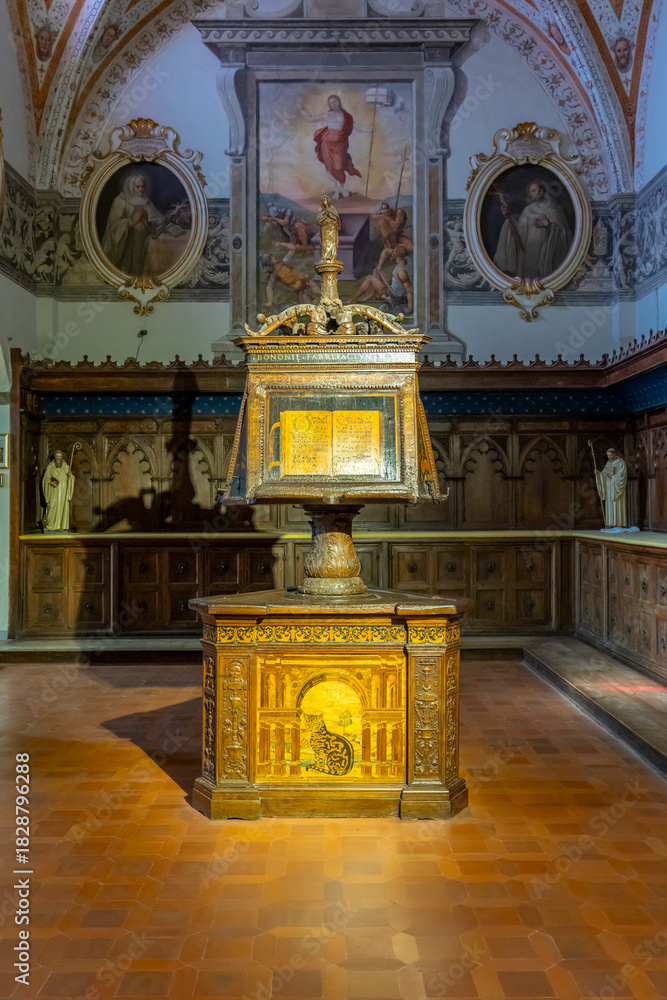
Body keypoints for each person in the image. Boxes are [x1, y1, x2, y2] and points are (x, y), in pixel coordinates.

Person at [493, 179, 571, 280]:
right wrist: (509, 217)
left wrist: (550, 225)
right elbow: (519, 232)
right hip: (528, 255)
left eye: (533, 190)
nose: (530, 193)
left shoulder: (553, 208)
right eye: (530, 191)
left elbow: (564, 235)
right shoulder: (528, 210)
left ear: (542, 191)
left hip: (544, 256)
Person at [101, 172, 164, 277]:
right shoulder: (120, 200)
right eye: (137, 186)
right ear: (130, 187)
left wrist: (148, 221)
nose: (141, 189)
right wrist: (131, 222)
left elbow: (158, 219)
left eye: (142, 186)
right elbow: (113, 226)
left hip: (145, 243)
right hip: (127, 243)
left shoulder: (145, 200)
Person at [304, 95, 366, 199]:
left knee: (339, 166)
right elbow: (311, 119)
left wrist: (372, 129)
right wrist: (302, 109)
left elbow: (358, 126)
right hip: (327, 144)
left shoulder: (346, 116)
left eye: (335, 101)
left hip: (340, 144)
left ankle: (342, 188)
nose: (334, 104)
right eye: (331, 102)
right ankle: (337, 190)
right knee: (330, 167)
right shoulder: (328, 115)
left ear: (339, 102)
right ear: (329, 104)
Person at [42, 450, 75, 532]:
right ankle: (50, 525)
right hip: (53, 491)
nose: (58, 458)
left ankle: (61, 525)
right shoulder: (50, 467)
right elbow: (45, 479)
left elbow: (72, 478)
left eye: (60, 457)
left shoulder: (66, 467)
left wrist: (70, 477)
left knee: (62, 508)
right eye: (57, 457)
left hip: (63, 491)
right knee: (52, 506)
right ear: (54, 457)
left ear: (62, 458)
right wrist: (50, 481)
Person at [595, 448, 627, 528]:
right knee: (609, 504)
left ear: (614, 454)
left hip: (616, 486)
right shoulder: (608, 463)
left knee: (617, 504)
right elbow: (604, 474)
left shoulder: (621, 462)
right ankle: (610, 523)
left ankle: (619, 523)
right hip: (609, 487)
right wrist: (599, 474)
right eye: (608, 456)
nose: (609, 457)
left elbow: (623, 475)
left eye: (610, 455)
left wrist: (613, 476)